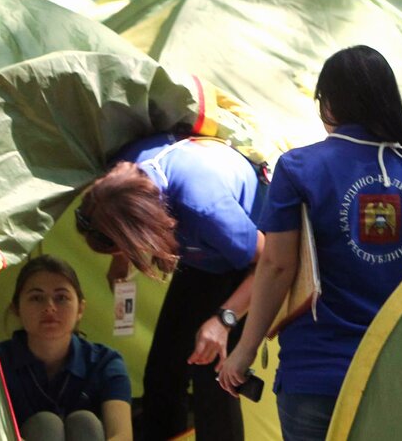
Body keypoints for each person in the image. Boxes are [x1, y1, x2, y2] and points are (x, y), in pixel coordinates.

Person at [217, 45, 402, 441]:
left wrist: (244, 351)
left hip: (316, 372)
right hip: (400, 373)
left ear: (328, 104)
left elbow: (277, 266)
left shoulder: (298, 168)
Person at [76, 132, 265, 441]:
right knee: (162, 373)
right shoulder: (118, 178)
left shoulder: (205, 208)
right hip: (204, 258)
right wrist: (120, 259)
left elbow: (271, 263)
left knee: (214, 379)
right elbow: (115, 211)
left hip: (249, 266)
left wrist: (224, 320)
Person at [0, 255, 133, 441]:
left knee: (84, 421)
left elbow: (122, 435)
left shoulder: (105, 362)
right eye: (36, 298)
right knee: (45, 424)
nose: (49, 308)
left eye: (61, 298)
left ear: (80, 309)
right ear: (16, 308)